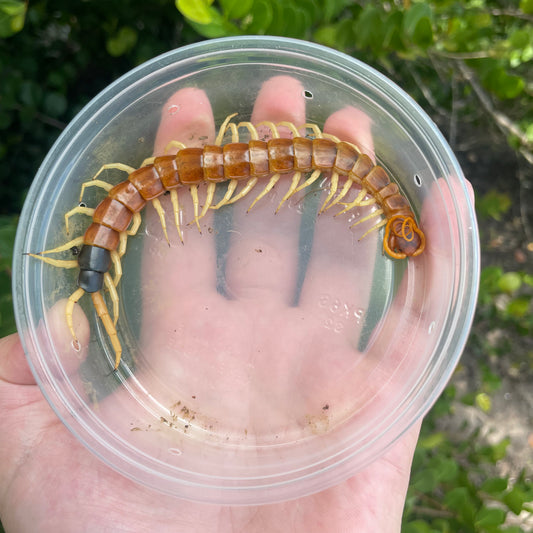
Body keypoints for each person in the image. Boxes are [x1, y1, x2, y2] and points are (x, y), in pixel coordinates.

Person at [0, 76, 472, 532]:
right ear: (395, 224)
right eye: (400, 233)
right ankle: (93, 273)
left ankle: (92, 277)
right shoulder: (355, 180)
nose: (400, 237)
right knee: (154, 184)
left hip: (164, 192)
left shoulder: (353, 178)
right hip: (138, 193)